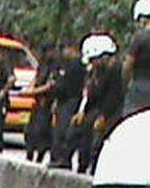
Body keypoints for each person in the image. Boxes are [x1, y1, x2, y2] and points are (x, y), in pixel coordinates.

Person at [70, 33, 119, 174]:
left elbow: (114, 97)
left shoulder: (115, 70)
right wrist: (82, 111)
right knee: (79, 131)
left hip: (110, 112)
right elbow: (89, 92)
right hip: (95, 110)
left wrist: (103, 117)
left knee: (98, 141)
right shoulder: (95, 72)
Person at [49, 41, 86, 168]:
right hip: (62, 100)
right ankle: (58, 157)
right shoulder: (66, 64)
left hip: (70, 100)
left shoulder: (76, 66)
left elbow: (67, 85)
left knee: (65, 131)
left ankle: (64, 158)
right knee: (58, 131)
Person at [24, 45, 59, 163]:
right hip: (37, 102)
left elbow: (50, 85)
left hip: (46, 102)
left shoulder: (54, 67)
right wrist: (30, 88)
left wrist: (33, 92)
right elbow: (36, 78)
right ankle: (29, 154)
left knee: (41, 132)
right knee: (30, 130)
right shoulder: (42, 65)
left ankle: (39, 156)